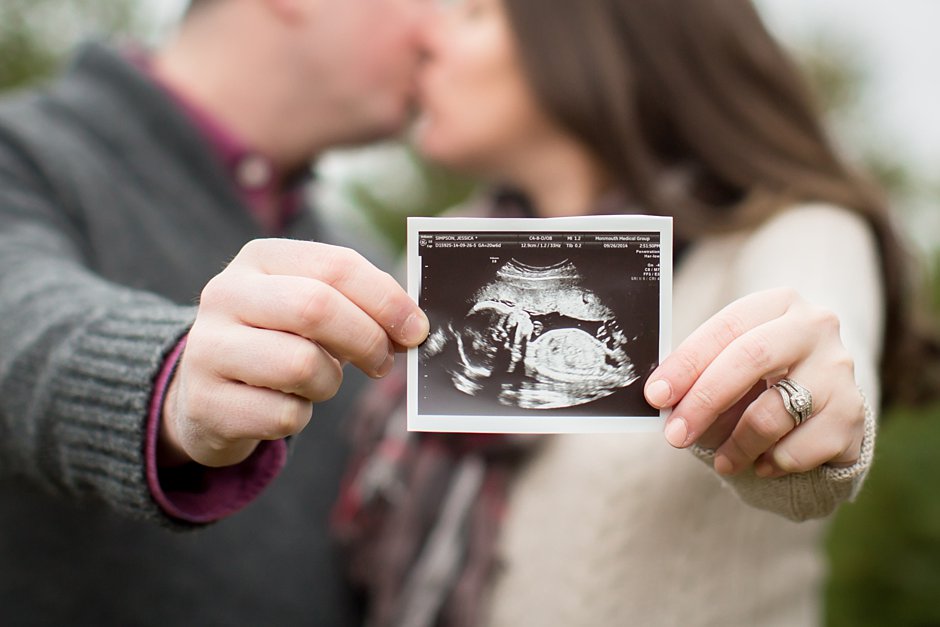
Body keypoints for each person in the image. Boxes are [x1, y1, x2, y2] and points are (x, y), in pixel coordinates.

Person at [334, 0, 926, 625]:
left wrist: (807, 402)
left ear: (594, 37)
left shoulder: (794, 235)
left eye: (476, 12)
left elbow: (820, 332)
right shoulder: (444, 252)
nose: (427, 34)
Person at [0, 0, 431, 624]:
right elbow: (21, 321)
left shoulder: (361, 257)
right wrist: (170, 382)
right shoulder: (21, 155)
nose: (439, 28)